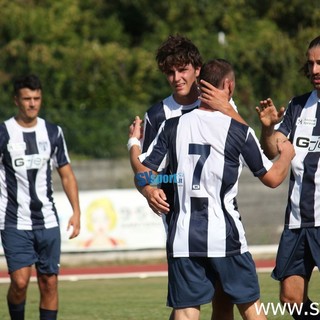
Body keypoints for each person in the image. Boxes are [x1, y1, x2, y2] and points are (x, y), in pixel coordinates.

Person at [134, 59, 295, 320]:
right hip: (226, 238)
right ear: (229, 86)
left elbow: (143, 175)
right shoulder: (238, 130)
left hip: (184, 239)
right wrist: (286, 154)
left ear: (200, 84)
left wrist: (148, 188)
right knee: (251, 310)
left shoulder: (173, 126)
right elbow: (274, 178)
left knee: (186, 313)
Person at [128, 34, 240, 320]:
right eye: (170, 72)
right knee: (187, 304)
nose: (177, 77)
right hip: (182, 223)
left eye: (183, 69)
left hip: (222, 218)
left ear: (197, 69)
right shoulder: (158, 115)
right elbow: (148, 170)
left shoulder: (222, 102)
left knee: (223, 301)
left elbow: (244, 144)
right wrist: (150, 189)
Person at [0, 74, 81, 320]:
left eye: (36, 98)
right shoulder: (3, 133)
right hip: (14, 221)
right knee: (20, 282)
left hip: (47, 220)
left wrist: (76, 212)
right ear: (16, 100)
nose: (32, 104)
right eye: (27, 99)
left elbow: (66, 175)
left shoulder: (53, 132)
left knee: (49, 283)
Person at [256, 35, 320, 319]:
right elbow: (274, 150)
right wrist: (268, 129)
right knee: (291, 298)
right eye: (311, 64)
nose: (315, 70)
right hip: (298, 222)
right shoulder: (297, 106)